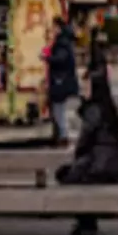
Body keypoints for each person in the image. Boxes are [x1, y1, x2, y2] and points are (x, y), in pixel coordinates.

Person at [57, 64, 118, 235]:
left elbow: (84, 142)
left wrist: (74, 163)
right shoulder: (108, 109)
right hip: (113, 166)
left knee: (71, 178)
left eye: (86, 86)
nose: (83, 91)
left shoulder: (93, 110)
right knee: (78, 177)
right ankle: (87, 224)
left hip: (97, 165)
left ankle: (86, 225)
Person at [44, 17, 79, 146]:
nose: (52, 30)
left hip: (60, 79)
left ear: (58, 27)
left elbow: (60, 58)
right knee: (59, 108)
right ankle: (61, 134)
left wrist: (47, 58)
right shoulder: (65, 40)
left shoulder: (61, 42)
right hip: (62, 79)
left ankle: (63, 135)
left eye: (53, 27)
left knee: (59, 109)